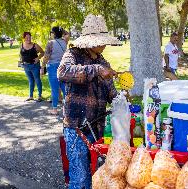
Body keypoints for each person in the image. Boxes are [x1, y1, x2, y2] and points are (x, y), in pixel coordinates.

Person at [57, 14, 120, 189]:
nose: (105, 44)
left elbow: (110, 93)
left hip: (97, 126)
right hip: (76, 127)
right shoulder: (73, 54)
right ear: (91, 41)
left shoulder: (102, 60)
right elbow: (62, 72)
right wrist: (96, 70)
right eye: (102, 41)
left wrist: (120, 95)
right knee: (80, 178)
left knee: (96, 177)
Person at [42, 26, 67, 115]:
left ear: (54, 34)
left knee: (54, 89)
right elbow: (67, 34)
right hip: (63, 67)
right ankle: (67, 109)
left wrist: (42, 67)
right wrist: (61, 30)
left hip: (53, 67)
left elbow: (46, 56)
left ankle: (55, 109)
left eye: (52, 32)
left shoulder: (50, 43)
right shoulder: (65, 41)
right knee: (64, 88)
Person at [20, 32, 44, 102]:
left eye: (29, 37)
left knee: (37, 80)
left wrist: (38, 58)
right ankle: (31, 96)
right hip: (26, 66)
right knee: (30, 80)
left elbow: (42, 52)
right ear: (24, 38)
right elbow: (21, 54)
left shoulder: (35, 45)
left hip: (34, 65)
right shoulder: (21, 45)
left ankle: (40, 96)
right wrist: (21, 61)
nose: (28, 39)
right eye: (27, 37)